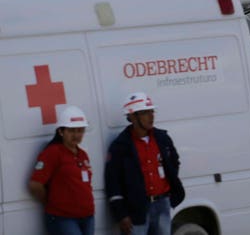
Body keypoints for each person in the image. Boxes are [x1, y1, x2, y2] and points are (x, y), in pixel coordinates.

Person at [104, 92, 184, 235]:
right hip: (136, 209)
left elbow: (174, 162)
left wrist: (168, 188)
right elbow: (113, 182)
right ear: (133, 117)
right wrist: (121, 214)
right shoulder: (120, 146)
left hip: (162, 204)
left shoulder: (162, 138)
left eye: (152, 111)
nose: (151, 116)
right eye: (145, 113)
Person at [29, 105, 95, 235]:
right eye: (72, 131)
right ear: (61, 132)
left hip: (87, 217)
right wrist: (54, 203)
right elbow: (35, 185)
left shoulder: (82, 154)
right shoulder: (53, 153)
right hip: (64, 218)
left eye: (80, 130)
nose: (76, 135)